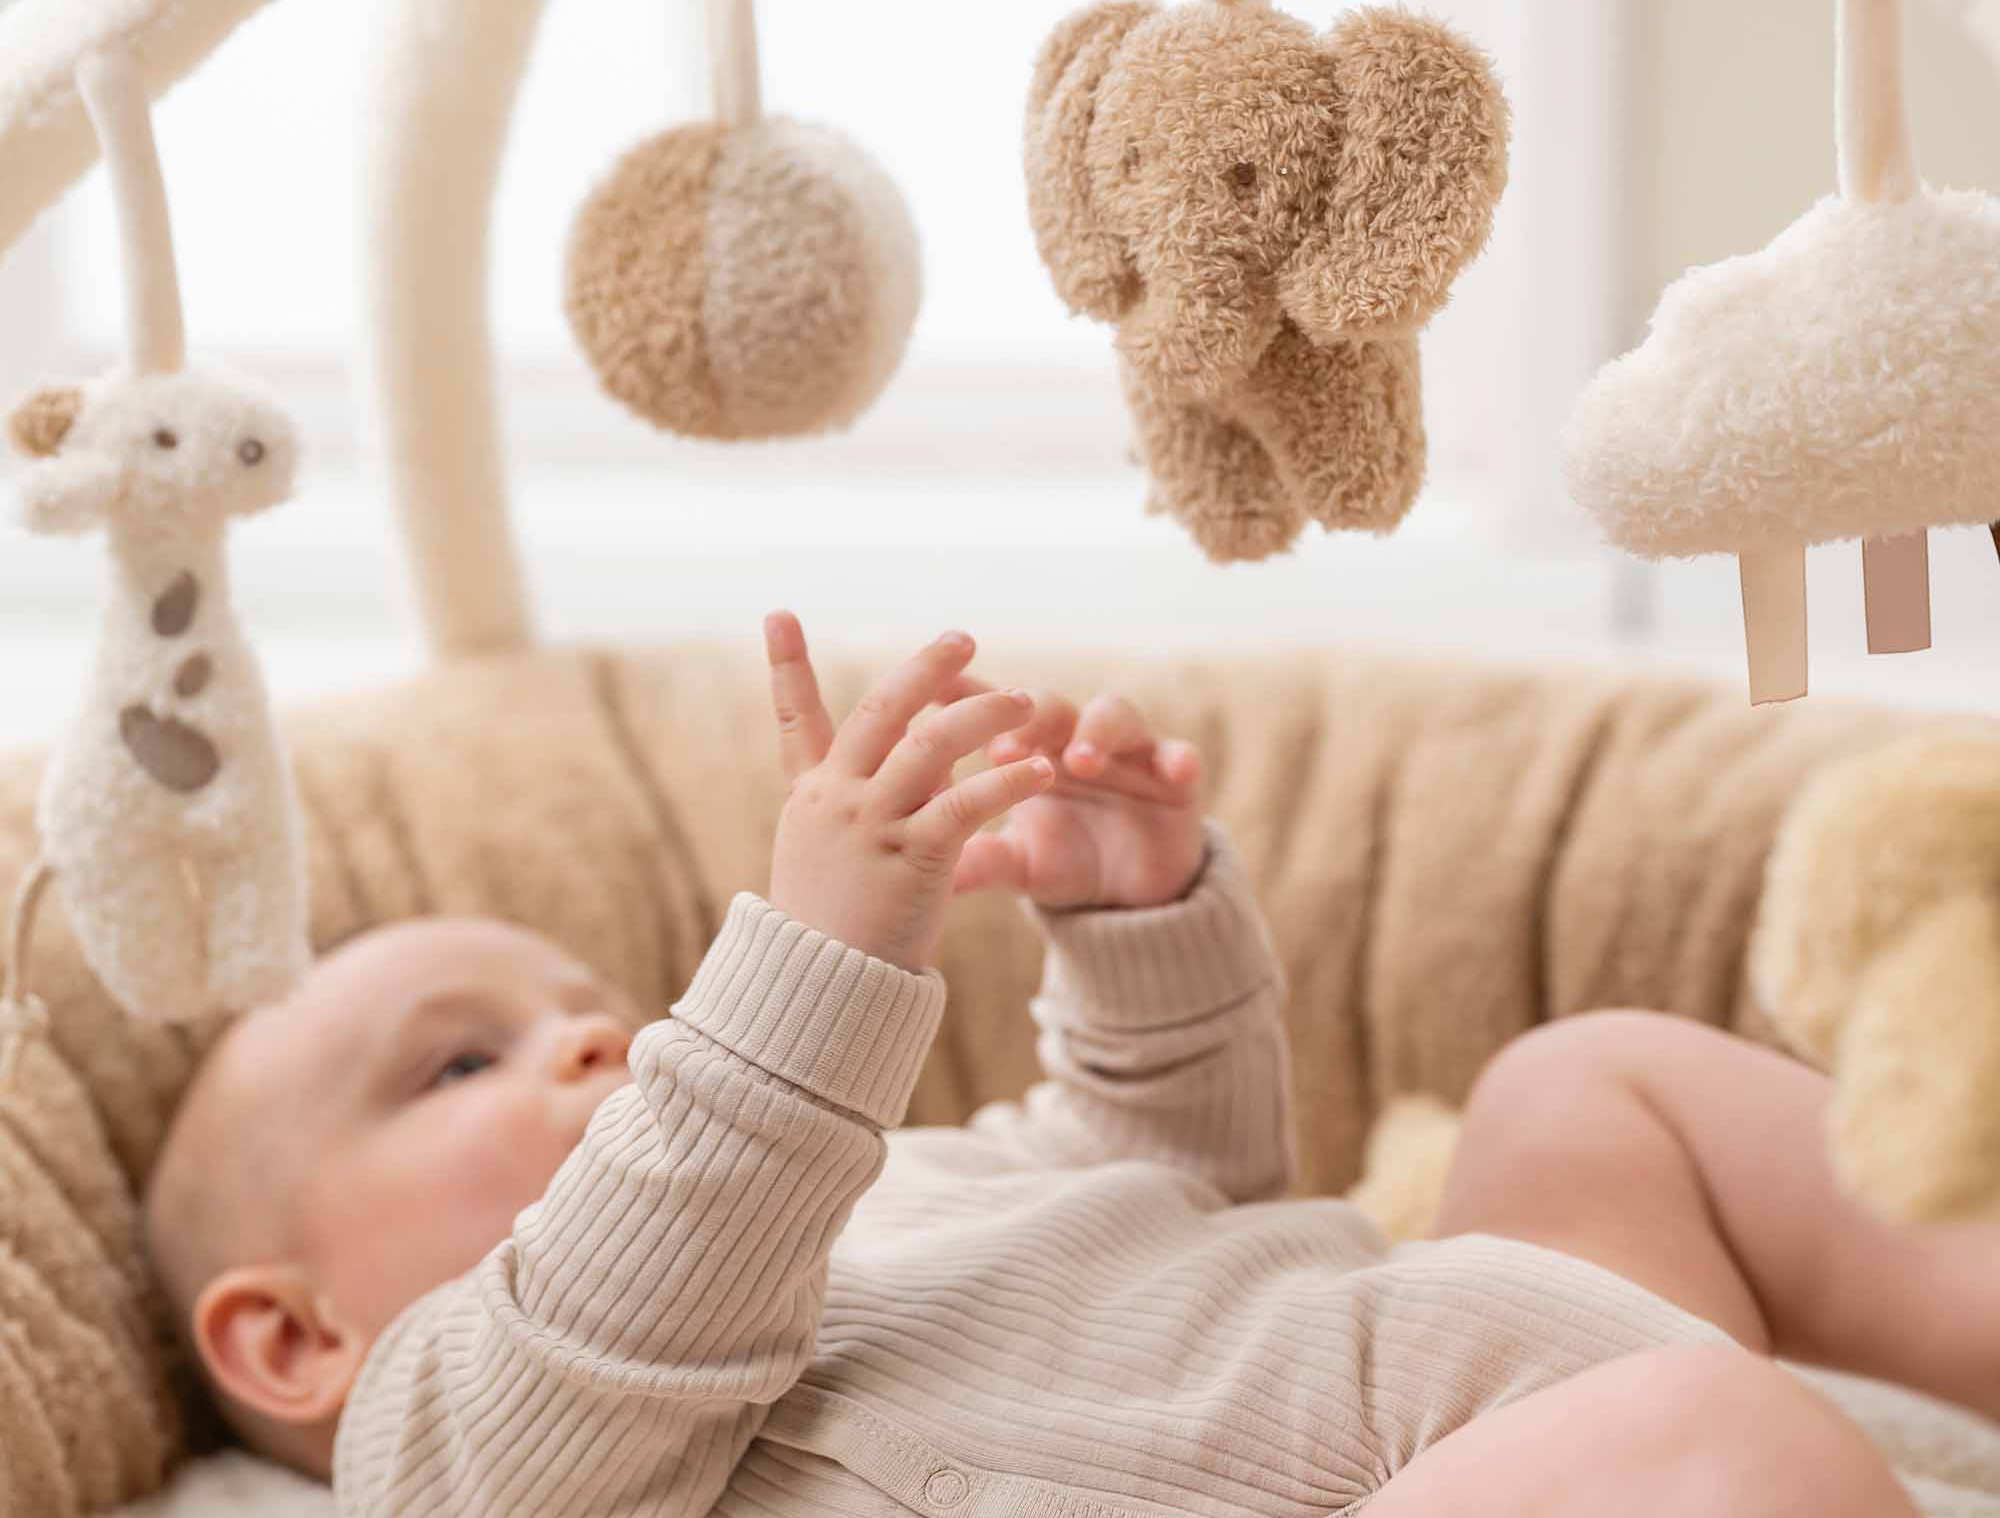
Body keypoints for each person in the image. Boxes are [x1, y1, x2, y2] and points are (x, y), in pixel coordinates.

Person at [143, 613, 1978, 1518]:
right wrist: (807, 971)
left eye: (591, 1000)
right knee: (1708, 1443)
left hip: (1496, 1372)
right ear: (296, 1336)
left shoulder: (891, 1200)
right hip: (1455, 1473)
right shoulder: (463, 1434)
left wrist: (1139, 922)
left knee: (1586, 1084)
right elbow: (654, 1271)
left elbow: (1172, 1166)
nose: (603, 1037)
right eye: (464, 1067)